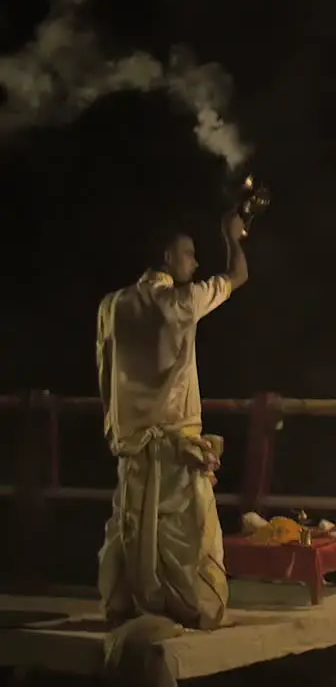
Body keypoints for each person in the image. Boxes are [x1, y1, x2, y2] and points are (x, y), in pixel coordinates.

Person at [96, 210, 249, 630]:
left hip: (132, 444)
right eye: (189, 254)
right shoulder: (181, 302)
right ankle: (190, 608)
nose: (195, 263)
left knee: (131, 524)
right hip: (175, 445)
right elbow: (238, 275)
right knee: (185, 532)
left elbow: (105, 371)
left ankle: (128, 604)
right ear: (167, 256)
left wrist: (120, 426)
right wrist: (232, 237)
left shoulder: (112, 306)